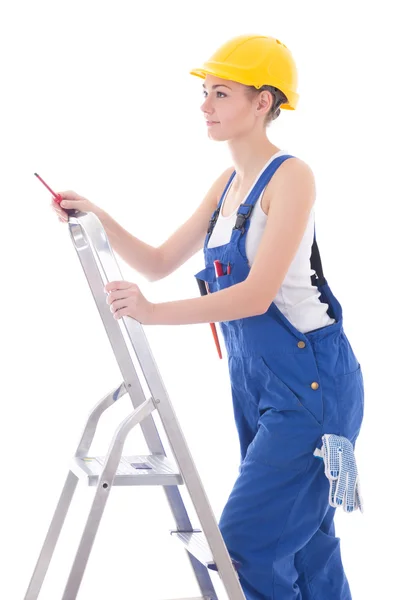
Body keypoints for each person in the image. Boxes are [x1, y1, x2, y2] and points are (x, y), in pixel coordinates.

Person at [53, 34, 364, 600]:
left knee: (243, 547)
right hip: (257, 384)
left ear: (263, 102)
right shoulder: (226, 187)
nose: (205, 105)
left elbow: (254, 295)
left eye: (220, 93)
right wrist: (96, 214)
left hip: (312, 386)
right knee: (306, 550)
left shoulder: (292, 176)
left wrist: (151, 314)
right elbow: (158, 261)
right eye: (205, 93)